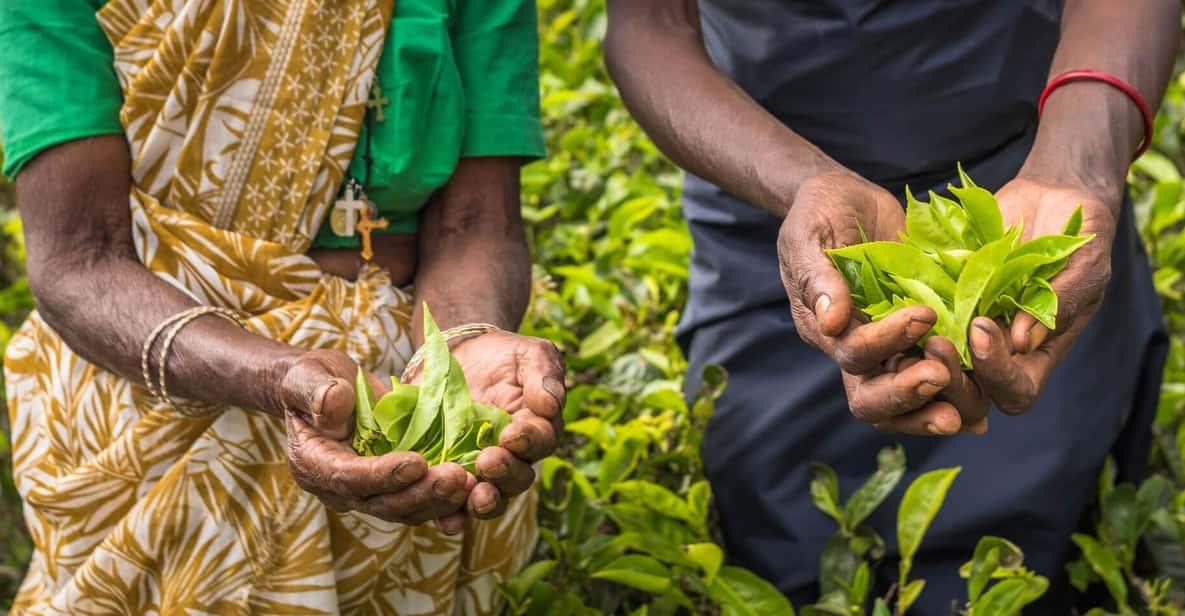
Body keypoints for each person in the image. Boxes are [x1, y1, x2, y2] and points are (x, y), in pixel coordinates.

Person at [606, 0, 1178, 612]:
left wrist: (1079, 165)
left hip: (1031, 176)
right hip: (770, 195)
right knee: (793, 546)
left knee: (1059, 536)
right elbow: (647, 26)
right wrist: (802, 183)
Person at [0, 0, 561, 613]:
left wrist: (464, 346)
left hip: (401, 393)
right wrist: (276, 375)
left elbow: (476, 224)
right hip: (156, 388)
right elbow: (83, 259)